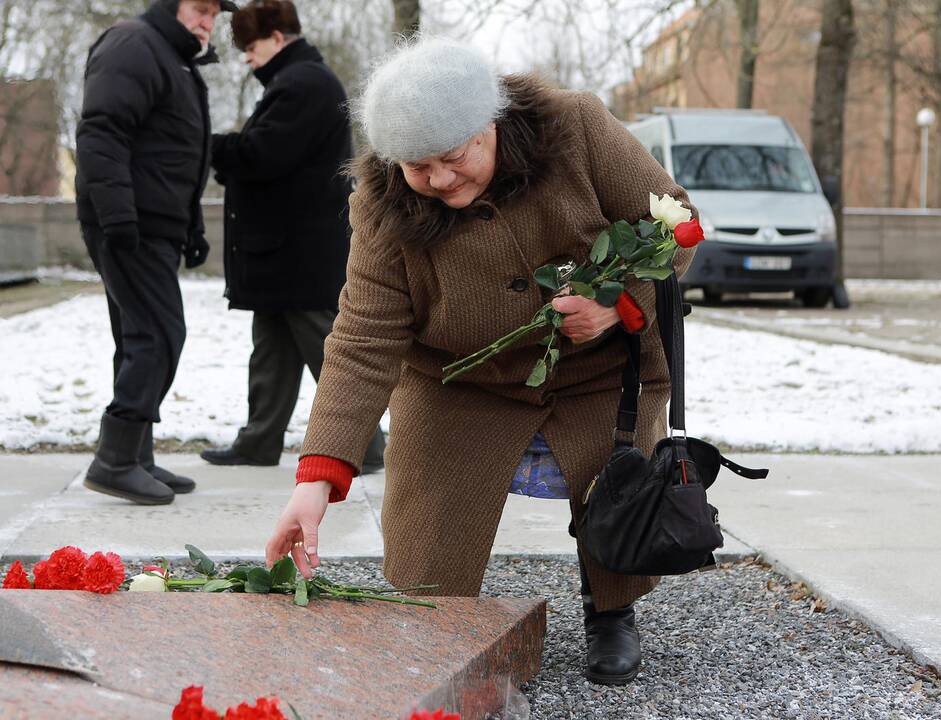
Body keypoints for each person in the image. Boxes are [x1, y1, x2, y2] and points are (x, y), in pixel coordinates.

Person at [264, 38, 699, 686]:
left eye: (453, 156)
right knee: (428, 560)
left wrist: (617, 306)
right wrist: (315, 479)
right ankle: (437, 614)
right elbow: (363, 336)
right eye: (418, 166)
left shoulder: (575, 126)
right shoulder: (383, 204)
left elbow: (680, 226)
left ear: (489, 123)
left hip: (598, 372)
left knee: (616, 485)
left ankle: (610, 612)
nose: (439, 180)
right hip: (459, 381)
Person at [199, 0, 386, 470]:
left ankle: (365, 448)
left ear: (278, 38)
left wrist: (208, 146)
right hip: (285, 252)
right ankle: (258, 442)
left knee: (330, 353)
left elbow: (264, 155)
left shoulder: (302, 84)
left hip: (299, 252)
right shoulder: (296, 81)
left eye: (251, 45)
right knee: (271, 354)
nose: (246, 56)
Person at [75, 0, 236, 505]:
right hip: (130, 222)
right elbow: (102, 132)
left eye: (215, 13)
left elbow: (174, 155)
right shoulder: (134, 44)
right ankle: (115, 459)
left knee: (139, 336)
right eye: (200, 8)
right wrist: (119, 216)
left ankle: (135, 455)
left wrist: (189, 228)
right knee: (159, 334)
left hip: (152, 224)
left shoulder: (173, 59)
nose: (208, 21)